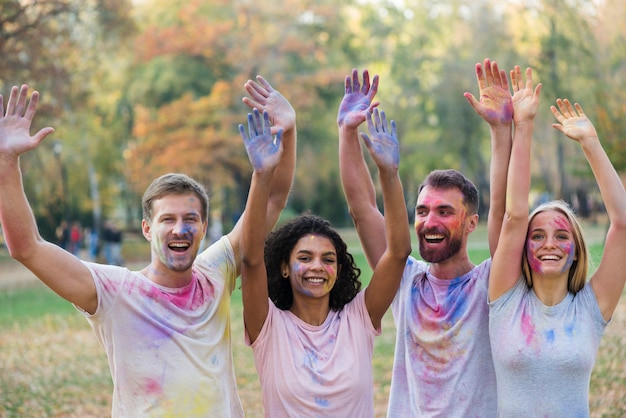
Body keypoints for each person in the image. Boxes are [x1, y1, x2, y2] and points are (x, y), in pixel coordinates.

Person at [0, 77, 296, 417]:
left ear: (203, 227)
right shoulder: (114, 293)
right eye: (167, 219)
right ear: (146, 228)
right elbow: (27, 248)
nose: (180, 229)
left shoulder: (216, 273)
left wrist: (288, 132)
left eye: (190, 219)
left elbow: (272, 199)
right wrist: (6, 161)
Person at [338, 62, 519, 416]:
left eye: (444, 212)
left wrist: (501, 131)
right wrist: (346, 133)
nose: (429, 222)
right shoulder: (405, 280)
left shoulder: (491, 283)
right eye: (422, 211)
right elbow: (362, 208)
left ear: (471, 224)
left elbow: (506, 211)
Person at [240, 103, 411, 416]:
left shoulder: (358, 318)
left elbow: (398, 253)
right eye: (305, 257)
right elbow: (250, 259)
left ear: (339, 269)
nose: (317, 266)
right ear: (283, 266)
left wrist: (389, 175)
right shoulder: (268, 326)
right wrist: (261, 177)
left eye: (327, 259)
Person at [489, 71, 626, 417]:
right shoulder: (505, 297)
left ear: (576, 249)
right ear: (523, 247)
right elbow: (515, 215)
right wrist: (524, 126)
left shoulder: (592, 309)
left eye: (562, 236)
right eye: (537, 236)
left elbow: (623, 225)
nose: (548, 244)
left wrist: (591, 144)